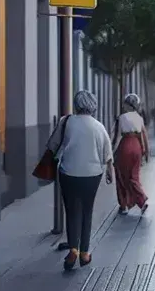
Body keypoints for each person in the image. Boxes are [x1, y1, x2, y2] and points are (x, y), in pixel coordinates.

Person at [47, 90, 113, 270]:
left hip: (68, 173)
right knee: (87, 210)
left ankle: (73, 249)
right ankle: (85, 252)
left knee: (71, 210)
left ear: (76, 104)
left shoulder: (65, 121)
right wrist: (110, 172)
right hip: (92, 174)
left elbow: (52, 145)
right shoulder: (98, 126)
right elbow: (107, 153)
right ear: (93, 105)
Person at [113, 93, 149, 216]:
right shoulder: (139, 118)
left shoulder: (121, 118)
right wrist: (144, 152)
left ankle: (125, 206)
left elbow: (118, 137)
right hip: (137, 147)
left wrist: (112, 152)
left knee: (121, 176)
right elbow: (142, 136)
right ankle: (141, 202)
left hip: (125, 145)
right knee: (134, 176)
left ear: (127, 105)